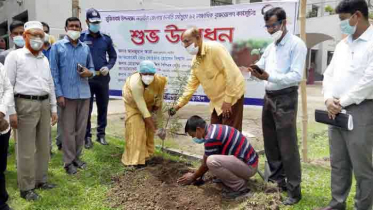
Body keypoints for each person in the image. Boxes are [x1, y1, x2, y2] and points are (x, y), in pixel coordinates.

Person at [245, 7, 307, 205]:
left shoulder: (296, 45)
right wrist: (255, 69)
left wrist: (270, 76)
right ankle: (276, 183)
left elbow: (296, 76)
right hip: (269, 96)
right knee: (271, 143)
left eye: (273, 25)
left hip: (286, 98)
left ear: (284, 22)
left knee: (287, 145)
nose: (271, 30)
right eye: (268, 26)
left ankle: (294, 191)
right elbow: (262, 63)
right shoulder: (271, 46)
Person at [317, 0, 373, 209]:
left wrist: (342, 102)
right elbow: (329, 74)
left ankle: (363, 206)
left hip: (361, 109)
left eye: (342, 19)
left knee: (362, 166)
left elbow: (369, 80)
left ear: (356, 15)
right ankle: (337, 204)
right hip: (335, 110)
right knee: (338, 162)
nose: (341, 24)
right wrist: (328, 98)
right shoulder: (343, 44)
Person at [5, 21, 58, 201]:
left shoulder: (44, 58)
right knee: (26, 148)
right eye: (33, 35)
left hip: (43, 104)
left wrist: (53, 108)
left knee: (43, 145)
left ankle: (40, 180)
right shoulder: (15, 56)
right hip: (24, 104)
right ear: (25, 36)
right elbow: (7, 86)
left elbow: (50, 84)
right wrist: (11, 111)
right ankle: (26, 187)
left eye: (40, 35)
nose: (37, 39)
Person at [169, 27, 245, 132]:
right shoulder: (195, 61)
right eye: (183, 43)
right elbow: (191, 86)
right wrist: (178, 106)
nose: (186, 46)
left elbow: (231, 74)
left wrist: (228, 100)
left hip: (231, 96)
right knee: (215, 133)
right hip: (216, 101)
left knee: (230, 134)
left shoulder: (214, 49)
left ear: (198, 38)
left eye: (187, 41)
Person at [50, 17, 95, 175]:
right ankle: (68, 162)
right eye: (71, 26)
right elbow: (53, 73)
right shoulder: (57, 47)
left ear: (81, 28)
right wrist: (59, 94)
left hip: (84, 94)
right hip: (66, 96)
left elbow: (92, 68)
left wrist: (89, 73)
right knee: (68, 130)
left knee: (81, 129)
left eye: (77, 26)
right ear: (66, 28)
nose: (74, 29)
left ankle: (77, 158)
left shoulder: (85, 48)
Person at [178, 115, 258, 199]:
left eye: (193, 135)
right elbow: (206, 156)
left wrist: (193, 176)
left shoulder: (211, 138)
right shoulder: (213, 128)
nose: (194, 138)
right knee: (211, 160)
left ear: (198, 129)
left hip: (249, 168)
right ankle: (231, 179)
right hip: (247, 163)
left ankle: (240, 188)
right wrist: (198, 174)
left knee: (212, 161)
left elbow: (206, 164)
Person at [80, 8, 117, 148]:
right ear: (87, 22)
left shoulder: (106, 38)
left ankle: (101, 134)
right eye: (93, 22)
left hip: (102, 79)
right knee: (87, 109)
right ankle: (86, 136)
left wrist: (108, 66)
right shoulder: (82, 37)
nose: (96, 24)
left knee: (103, 107)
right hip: (87, 79)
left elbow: (113, 56)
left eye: (98, 22)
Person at [122, 60, 167, 168]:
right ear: (140, 73)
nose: (148, 76)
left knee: (149, 130)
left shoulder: (159, 81)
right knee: (137, 128)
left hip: (149, 103)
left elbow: (159, 102)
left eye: (151, 74)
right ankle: (133, 161)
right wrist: (156, 130)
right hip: (133, 104)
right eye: (145, 74)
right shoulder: (135, 83)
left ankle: (147, 156)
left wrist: (159, 125)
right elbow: (143, 110)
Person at [0, 63, 14, 210]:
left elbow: (8, 89)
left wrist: (2, 112)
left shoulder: (0, 66)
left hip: (2, 124)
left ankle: (1, 202)